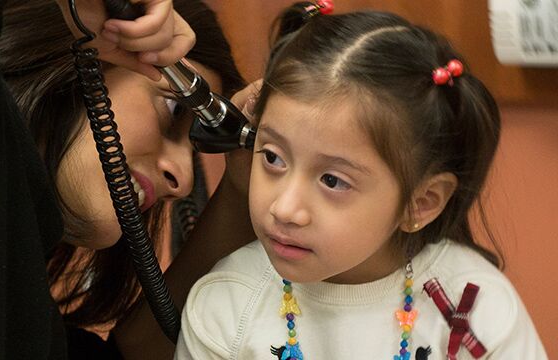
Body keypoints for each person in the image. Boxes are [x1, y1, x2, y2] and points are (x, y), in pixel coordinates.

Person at [174, 4, 548, 359]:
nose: (284, 208)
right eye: (273, 157)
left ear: (421, 203)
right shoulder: (225, 306)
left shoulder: (477, 307)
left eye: (333, 181)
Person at [0, 0, 253, 359]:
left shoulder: (20, 302)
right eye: (173, 110)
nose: (183, 181)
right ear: (88, 51)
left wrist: (240, 188)